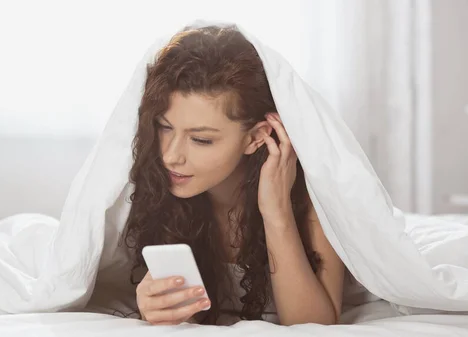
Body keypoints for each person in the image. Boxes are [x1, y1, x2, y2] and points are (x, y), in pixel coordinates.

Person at [122, 25, 345, 326]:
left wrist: (276, 212)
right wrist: (160, 303)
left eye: (200, 139)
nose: (171, 156)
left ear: (257, 137)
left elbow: (314, 327)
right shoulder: (162, 190)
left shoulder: (313, 199)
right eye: (164, 127)